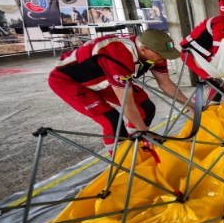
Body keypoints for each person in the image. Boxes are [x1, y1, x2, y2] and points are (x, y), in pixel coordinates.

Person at [48, 30, 187, 147]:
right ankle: (120, 160)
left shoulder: (155, 53)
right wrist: (145, 132)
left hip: (104, 77)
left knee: (145, 107)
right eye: (162, 54)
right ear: (144, 49)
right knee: (112, 121)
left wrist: (191, 106)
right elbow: (127, 103)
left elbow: (165, 83)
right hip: (69, 81)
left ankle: (135, 145)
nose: (165, 58)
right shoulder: (119, 56)